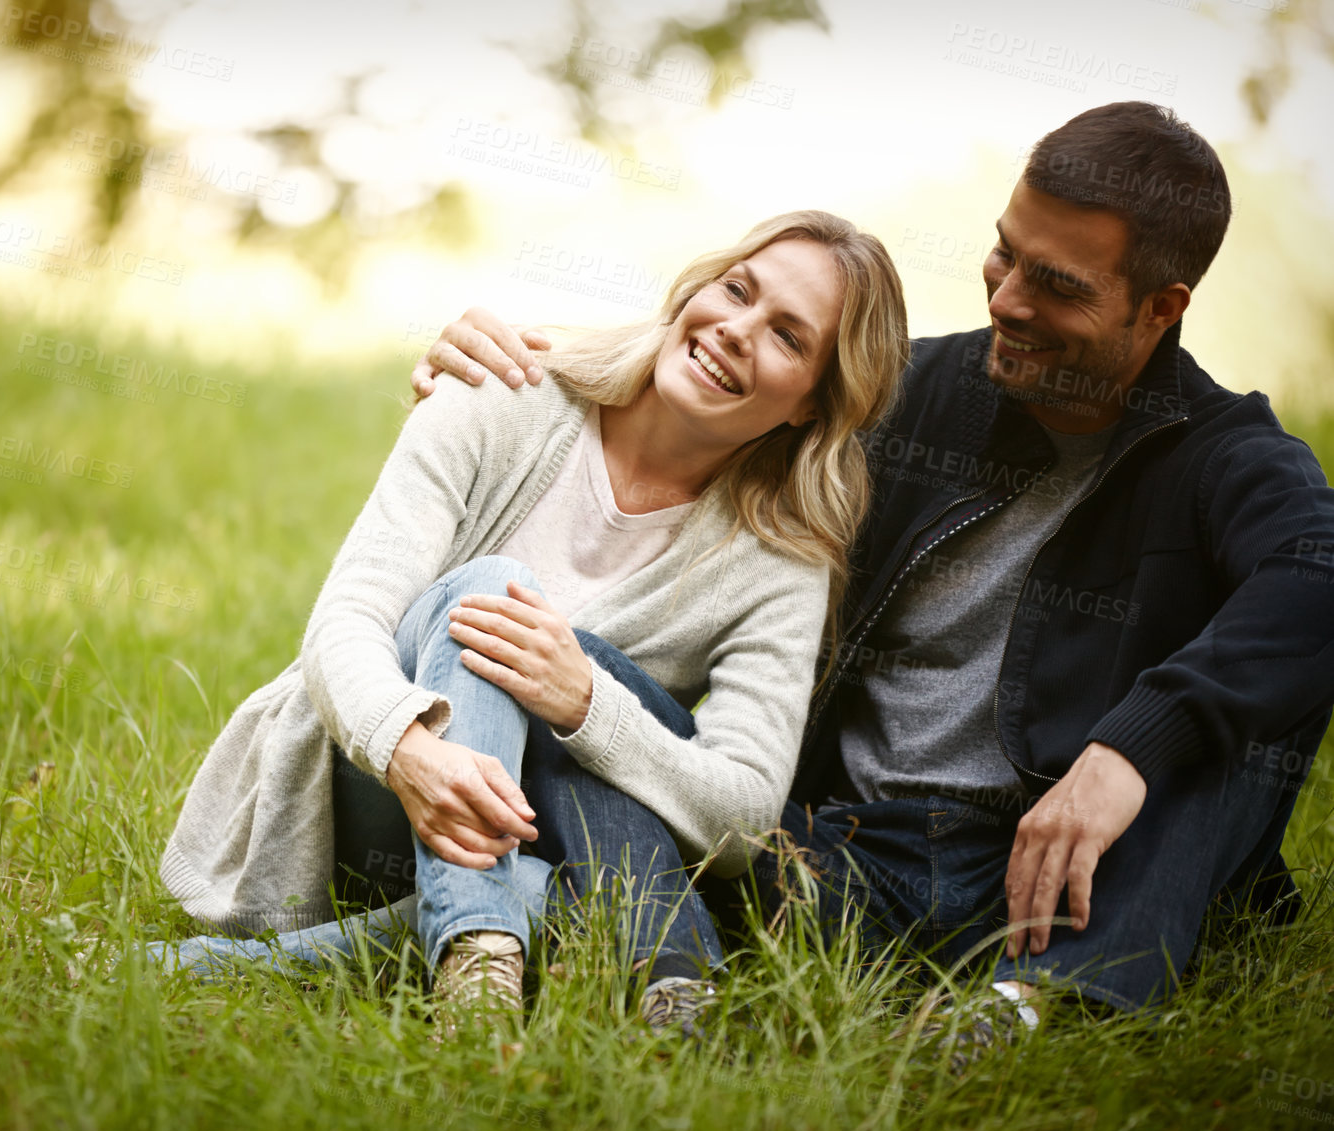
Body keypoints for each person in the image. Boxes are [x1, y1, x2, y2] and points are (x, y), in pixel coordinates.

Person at [416, 102, 1334, 1067]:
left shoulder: (1224, 457)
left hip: (1040, 884)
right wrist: (514, 376)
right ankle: (669, 977)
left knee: (1236, 715)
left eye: (1058, 285)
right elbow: (720, 378)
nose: (1010, 300)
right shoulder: (916, 393)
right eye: (1004, 255)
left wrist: (1129, 750)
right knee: (565, 665)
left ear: (1162, 307)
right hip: (818, 854)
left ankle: (1032, 1009)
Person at [156, 209, 909, 1037]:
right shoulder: (506, 387)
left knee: (575, 900)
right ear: (698, 286)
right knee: (495, 591)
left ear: (813, 405)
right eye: (736, 290)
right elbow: (345, 621)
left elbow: (740, 817)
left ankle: (428, 957)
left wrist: (588, 703)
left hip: (522, 839)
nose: (735, 330)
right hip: (357, 790)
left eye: (787, 338)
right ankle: (478, 938)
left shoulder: (778, 559)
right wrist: (409, 752)